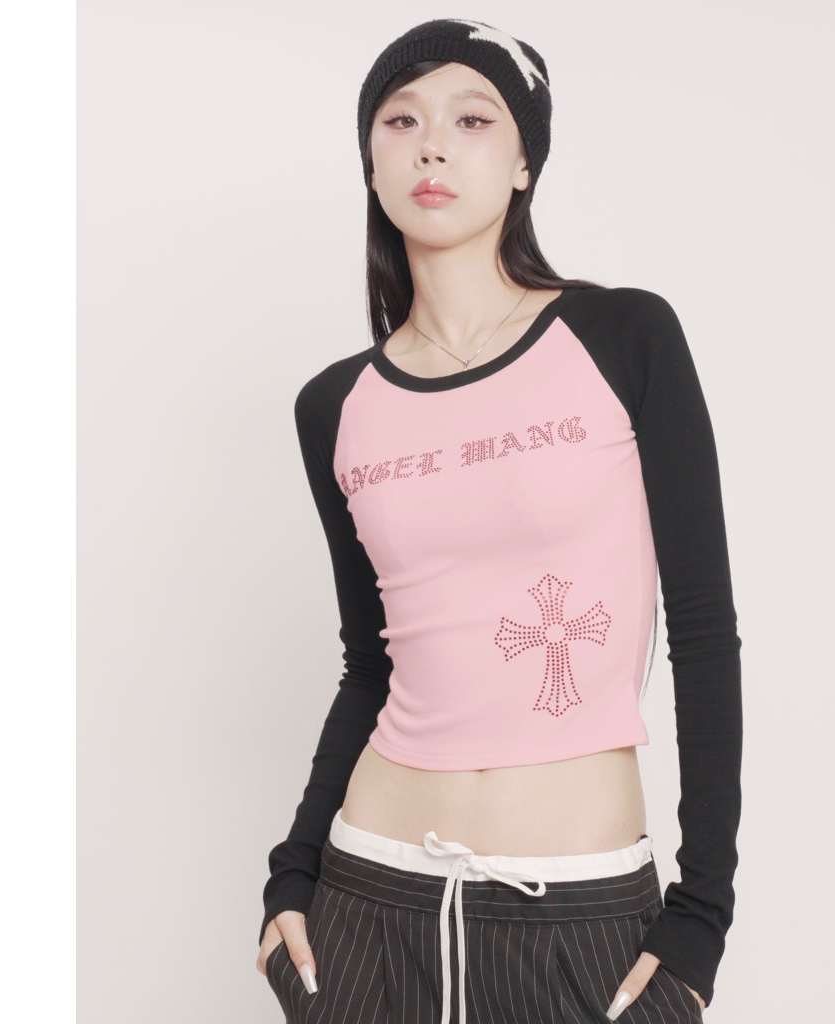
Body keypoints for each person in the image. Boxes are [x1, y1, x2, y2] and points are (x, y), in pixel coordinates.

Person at [257, 18, 743, 1024]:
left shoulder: (622, 336)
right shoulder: (334, 406)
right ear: (371, 159)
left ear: (524, 162)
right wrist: (292, 875)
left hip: (579, 912)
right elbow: (370, 664)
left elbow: (702, 634)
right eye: (401, 121)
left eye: (472, 120)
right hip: (366, 901)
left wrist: (701, 916)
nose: (432, 146)